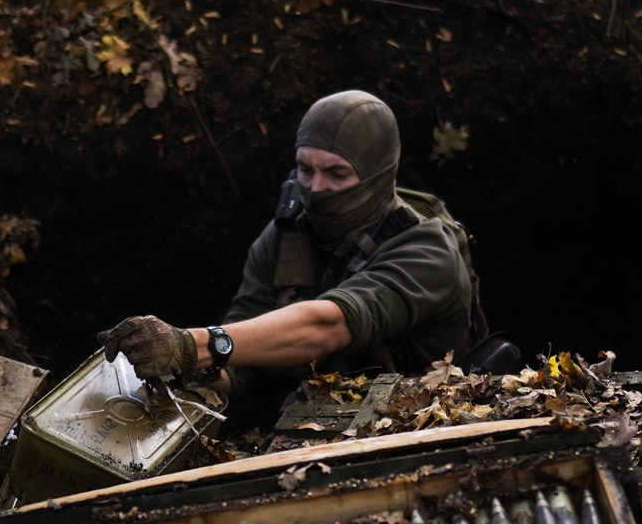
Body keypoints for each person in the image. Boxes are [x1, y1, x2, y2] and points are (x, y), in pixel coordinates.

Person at [99, 90, 478, 392]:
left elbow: (329, 325)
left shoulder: (427, 249)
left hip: (422, 424)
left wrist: (193, 346)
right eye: (305, 169)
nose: (316, 188)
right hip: (316, 425)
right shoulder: (286, 237)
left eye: (337, 173)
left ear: (377, 175)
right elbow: (240, 358)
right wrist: (185, 375)